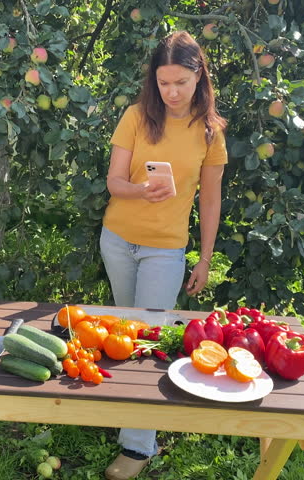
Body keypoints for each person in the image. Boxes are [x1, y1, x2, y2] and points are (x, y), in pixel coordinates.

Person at [100, 31, 228, 480]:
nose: (171, 92)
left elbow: (210, 201)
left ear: (199, 77)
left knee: (149, 342)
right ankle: (132, 415)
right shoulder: (136, 116)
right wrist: (141, 191)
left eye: (180, 82)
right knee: (125, 334)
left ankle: (137, 447)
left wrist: (206, 259)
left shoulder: (210, 131)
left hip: (165, 249)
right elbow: (114, 182)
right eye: (163, 82)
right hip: (117, 240)